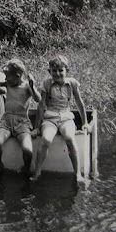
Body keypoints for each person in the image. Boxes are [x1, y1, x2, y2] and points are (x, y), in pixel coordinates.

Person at [31, 55, 90, 183]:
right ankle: (37, 173)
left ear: (66, 70)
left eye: (60, 70)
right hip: (50, 118)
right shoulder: (46, 83)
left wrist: (85, 123)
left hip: (66, 118)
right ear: (49, 71)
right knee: (46, 139)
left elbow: (80, 103)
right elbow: (41, 106)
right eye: (54, 71)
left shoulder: (72, 83)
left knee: (69, 137)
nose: (57, 73)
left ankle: (77, 174)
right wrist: (36, 128)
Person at [0, 59, 41, 176]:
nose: (5, 79)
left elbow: (38, 99)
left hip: (22, 122)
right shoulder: (8, 84)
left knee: (27, 149)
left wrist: (33, 87)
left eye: (8, 77)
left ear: (18, 76)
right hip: (6, 121)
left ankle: (26, 168)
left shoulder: (27, 86)